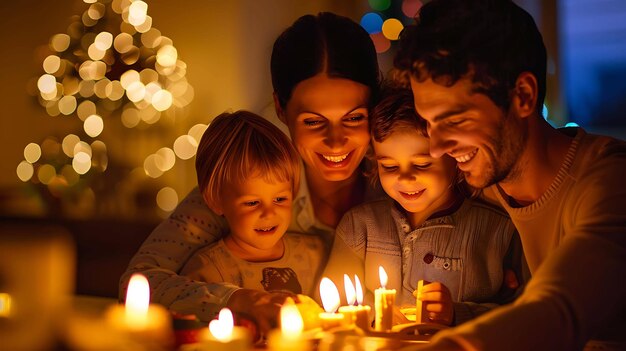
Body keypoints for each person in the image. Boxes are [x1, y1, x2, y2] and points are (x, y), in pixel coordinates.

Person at [120, 12, 381, 334]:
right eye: (313, 121)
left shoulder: (398, 183)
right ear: (281, 108)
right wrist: (240, 301)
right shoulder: (245, 184)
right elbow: (142, 280)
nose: (336, 139)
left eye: (354, 118)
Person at [394, 0, 626, 349]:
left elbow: (556, 312)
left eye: (454, 120)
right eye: (428, 122)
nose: (436, 146)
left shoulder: (610, 182)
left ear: (523, 96)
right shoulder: (483, 186)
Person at [323, 87, 523, 327]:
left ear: (455, 158)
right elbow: (333, 304)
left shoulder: (498, 231)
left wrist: (456, 314)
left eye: (422, 164)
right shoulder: (359, 228)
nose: (405, 178)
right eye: (390, 167)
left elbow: (525, 313)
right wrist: (374, 316)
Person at [179, 111, 325, 298]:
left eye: (280, 199)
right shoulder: (207, 272)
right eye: (252, 203)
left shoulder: (315, 255)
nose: (269, 213)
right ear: (216, 202)